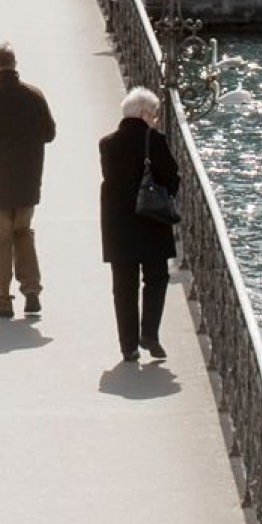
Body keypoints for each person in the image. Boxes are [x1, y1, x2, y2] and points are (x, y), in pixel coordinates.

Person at [0, 42, 57, 319]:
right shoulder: (34, 95)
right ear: (14, 64)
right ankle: (31, 289)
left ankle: (2, 300)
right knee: (23, 233)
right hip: (27, 180)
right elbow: (49, 133)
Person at [99, 87, 180, 363]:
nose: (156, 120)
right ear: (144, 113)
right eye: (154, 115)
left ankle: (128, 346)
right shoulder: (154, 140)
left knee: (124, 286)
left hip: (118, 226)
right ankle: (150, 333)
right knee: (156, 278)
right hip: (151, 222)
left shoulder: (106, 144)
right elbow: (172, 178)